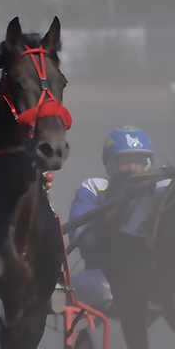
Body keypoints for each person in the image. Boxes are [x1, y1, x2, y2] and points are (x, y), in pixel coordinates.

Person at [67, 127, 156, 310]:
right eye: (126, 161)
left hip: (152, 275)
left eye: (138, 161)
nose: (132, 168)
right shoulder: (94, 188)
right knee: (62, 290)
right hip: (102, 276)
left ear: (147, 164)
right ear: (110, 164)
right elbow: (80, 236)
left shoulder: (160, 190)